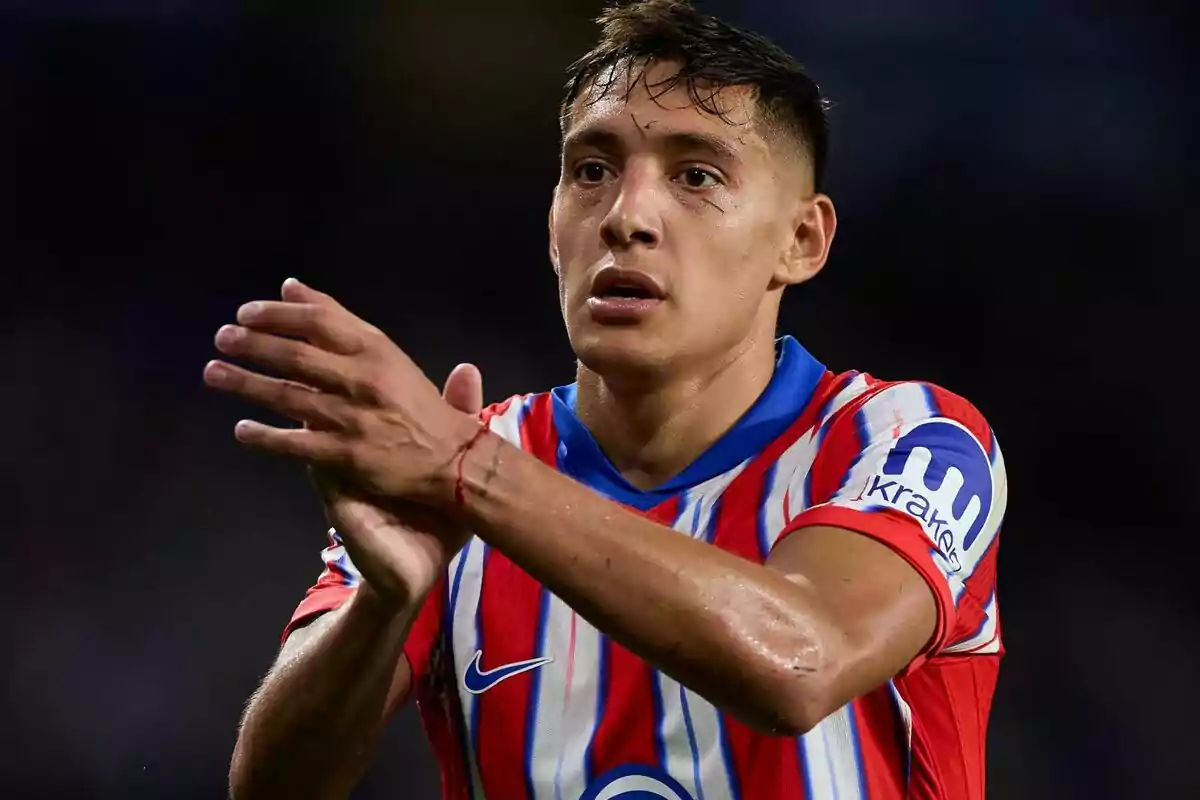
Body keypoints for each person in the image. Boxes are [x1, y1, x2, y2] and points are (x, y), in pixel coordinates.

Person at [206, 2, 1006, 798]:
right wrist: (384, 605)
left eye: (697, 175)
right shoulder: (454, 466)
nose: (627, 216)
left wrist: (469, 471)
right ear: (554, 231)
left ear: (802, 241)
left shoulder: (907, 441)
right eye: (592, 171)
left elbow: (804, 662)